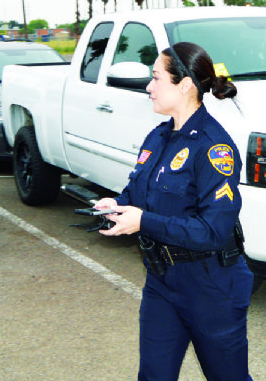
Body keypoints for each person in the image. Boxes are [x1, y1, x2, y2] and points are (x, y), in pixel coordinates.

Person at [94, 42, 254, 381]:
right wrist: (117, 205)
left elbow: (213, 231)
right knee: (153, 376)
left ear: (184, 85)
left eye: (156, 78)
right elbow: (139, 192)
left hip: (211, 286)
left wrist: (143, 221)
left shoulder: (214, 147)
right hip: (162, 282)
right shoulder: (159, 136)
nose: (148, 87)